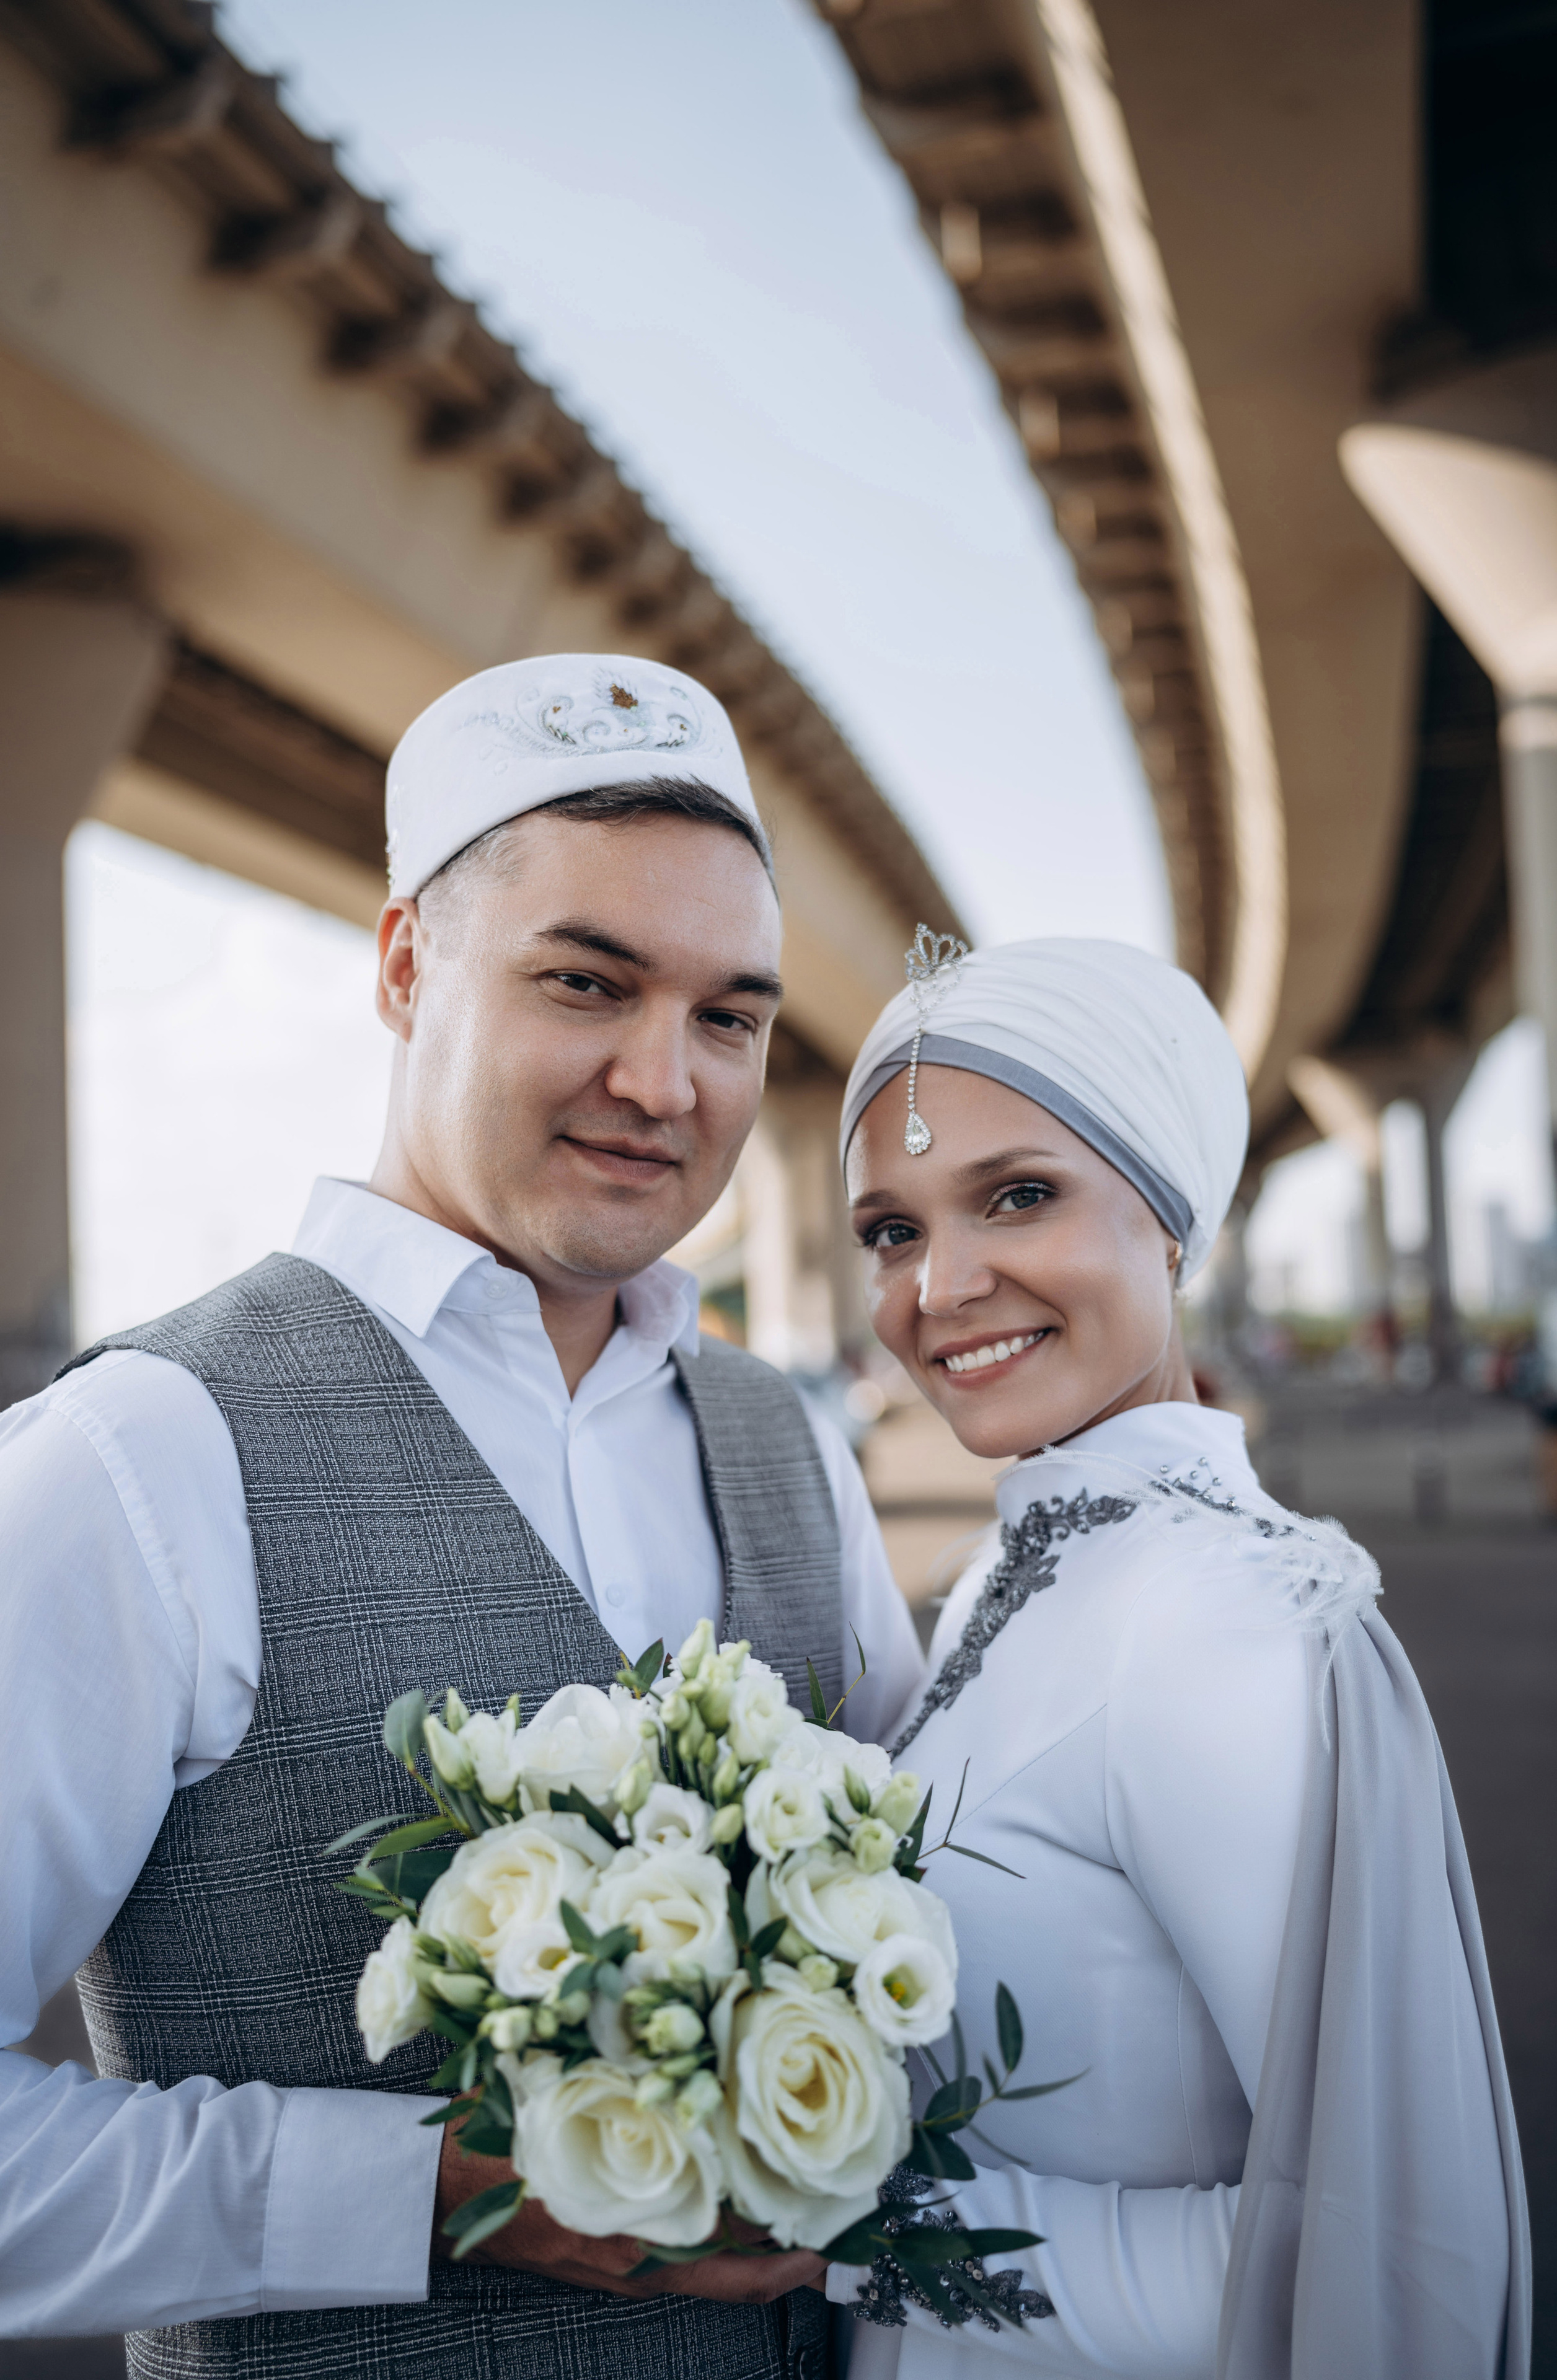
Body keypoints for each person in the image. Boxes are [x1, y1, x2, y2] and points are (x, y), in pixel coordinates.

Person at [0, 654, 921, 2376]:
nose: (669, 1082)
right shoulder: (143, 1452)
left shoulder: (788, 1442)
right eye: (589, 983)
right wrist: (427, 2187)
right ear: (407, 967)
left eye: (730, 1015)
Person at [828, 933, 1528, 2380]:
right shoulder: (1002, 1581)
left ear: (1167, 1216)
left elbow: (1391, 2276)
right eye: (889, 1231)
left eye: (1016, 1196)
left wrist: (854, 2232)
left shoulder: (1225, 1620)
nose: (938, 1285)